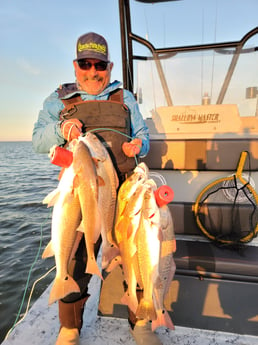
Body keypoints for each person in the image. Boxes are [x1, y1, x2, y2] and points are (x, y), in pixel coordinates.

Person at [32, 32, 162, 345]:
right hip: (82, 193)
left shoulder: (123, 97)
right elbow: (38, 141)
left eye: (100, 65)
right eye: (85, 63)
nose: (93, 71)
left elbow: (143, 136)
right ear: (75, 66)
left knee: (137, 252)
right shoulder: (58, 99)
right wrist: (61, 128)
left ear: (110, 66)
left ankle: (141, 322)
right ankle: (70, 327)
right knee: (76, 256)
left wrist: (138, 144)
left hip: (124, 192)